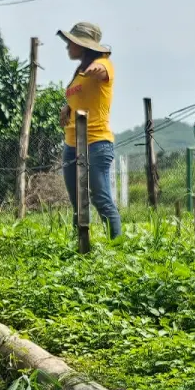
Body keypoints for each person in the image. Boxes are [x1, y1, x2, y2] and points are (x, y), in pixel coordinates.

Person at [59, 21, 121, 238]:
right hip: (71, 144)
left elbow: (104, 72)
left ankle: (118, 245)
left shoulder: (103, 63)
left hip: (96, 142)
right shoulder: (79, 72)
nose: (68, 47)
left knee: (100, 198)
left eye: (71, 43)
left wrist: (97, 68)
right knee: (78, 201)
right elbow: (81, 95)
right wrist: (67, 107)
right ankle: (81, 246)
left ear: (83, 46)